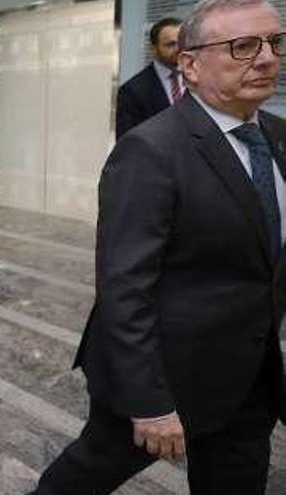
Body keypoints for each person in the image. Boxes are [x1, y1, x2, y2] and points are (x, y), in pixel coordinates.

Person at [31, 1, 286, 493]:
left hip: (249, 378)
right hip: (164, 375)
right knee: (82, 478)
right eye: (243, 46)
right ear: (189, 64)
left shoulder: (276, 137)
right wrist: (149, 402)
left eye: (275, 43)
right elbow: (124, 287)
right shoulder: (151, 150)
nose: (267, 59)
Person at [115, 17, 183, 138]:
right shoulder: (132, 91)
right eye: (171, 44)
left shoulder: (199, 81)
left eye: (182, 43)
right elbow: (128, 143)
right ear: (154, 49)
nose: (179, 49)